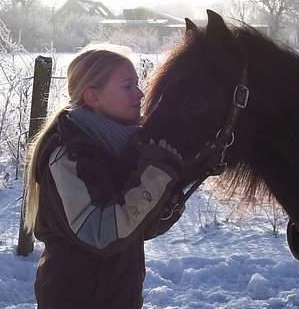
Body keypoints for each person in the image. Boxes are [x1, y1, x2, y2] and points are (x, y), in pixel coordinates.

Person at [24, 48, 185, 309]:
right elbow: (101, 233)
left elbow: (136, 231)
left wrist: (170, 190)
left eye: (137, 84)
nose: (140, 94)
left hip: (120, 296)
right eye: (127, 86)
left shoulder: (124, 146)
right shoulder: (67, 155)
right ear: (92, 96)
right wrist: (155, 177)